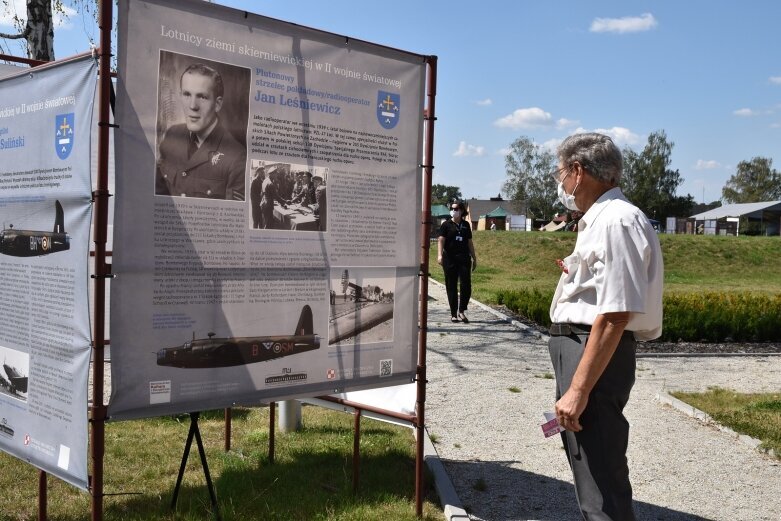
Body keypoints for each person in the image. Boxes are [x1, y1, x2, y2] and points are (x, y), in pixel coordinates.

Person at [547, 133, 663, 520]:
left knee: (600, 483)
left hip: (591, 354)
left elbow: (615, 314)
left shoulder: (616, 220)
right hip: (583, 350)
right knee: (590, 473)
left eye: (562, 172)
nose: (561, 182)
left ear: (579, 171)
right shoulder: (600, 220)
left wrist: (579, 389)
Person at [155, 63, 245, 200]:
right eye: (186, 94)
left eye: (202, 97)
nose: (192, 106)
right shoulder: (172, 135)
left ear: (217, 104)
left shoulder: (236, 157)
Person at [437, 199, 477, 323]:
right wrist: (439, 255)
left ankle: (462, 311)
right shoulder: (446, 225)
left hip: (464, 258)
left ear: (461, 211)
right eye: (452, 209)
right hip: (450, 259)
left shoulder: (466, 225)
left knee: (466, 285)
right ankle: (453, 313)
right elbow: (441, 240)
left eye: (456, 209)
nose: (453, 211)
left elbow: (470, 242)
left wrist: (474, 258)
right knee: (451, 285)